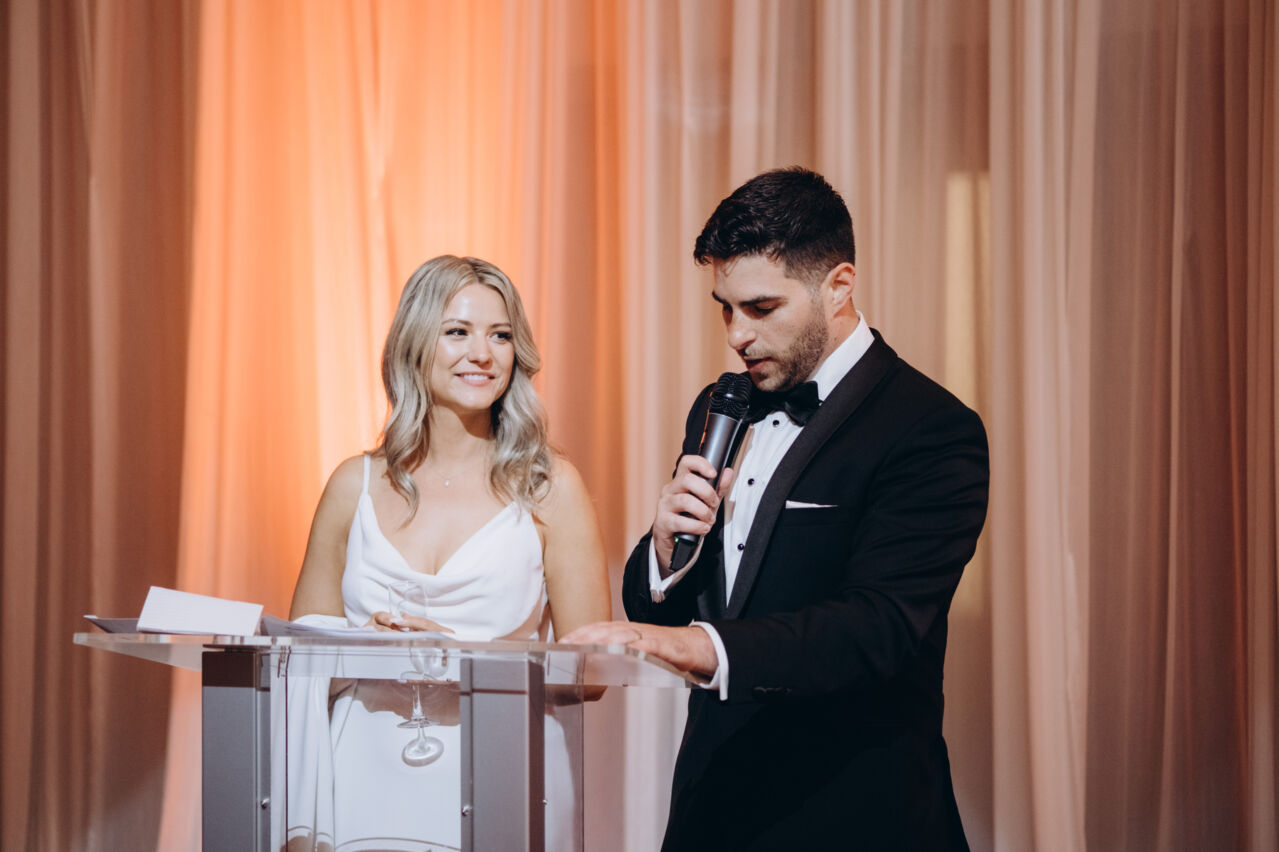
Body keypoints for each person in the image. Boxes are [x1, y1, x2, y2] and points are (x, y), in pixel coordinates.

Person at [563, 168, 989, 850]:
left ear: (839, 286)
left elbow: (877, 627)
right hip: (714, 806)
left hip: (852, 811)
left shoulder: (930, 428)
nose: (737, 335)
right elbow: (661, 612)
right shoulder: (718, 407)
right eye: (725, 309)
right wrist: (664, 553)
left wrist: (701, 645)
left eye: (761, 308)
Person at [286, 255, 611, 851]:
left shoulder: (550, 488)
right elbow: (297, 661)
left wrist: (463, 657)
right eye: (458, 332)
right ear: (414, 344)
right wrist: (364, 649)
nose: (482, 354)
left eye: (501, 335)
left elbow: (592, 676)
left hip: (500, 773)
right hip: (359, 776)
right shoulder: (352, 484)